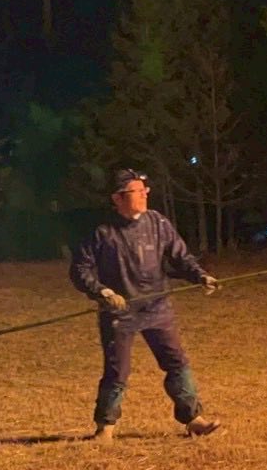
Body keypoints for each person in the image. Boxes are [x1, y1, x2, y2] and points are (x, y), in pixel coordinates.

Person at [71, 168, 222, 441]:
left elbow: (181, 257)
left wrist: (200, 276)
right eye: (137, 191)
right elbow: (80, 269)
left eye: (145, 190)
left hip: (157, 307)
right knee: (117, 371)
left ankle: (193, 419)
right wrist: (102, 291)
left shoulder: (158, 223)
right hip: (120, 312)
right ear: (118, 198)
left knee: (176, 362)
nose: (144, 195)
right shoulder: (102, 231)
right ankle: (105, 427)